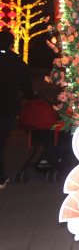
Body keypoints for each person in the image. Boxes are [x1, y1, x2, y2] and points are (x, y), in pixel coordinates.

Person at [0, 30, 35, 189]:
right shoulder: (16, 62)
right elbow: (26, 85)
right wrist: (31, 97)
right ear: (10, 44)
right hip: (7, 107)